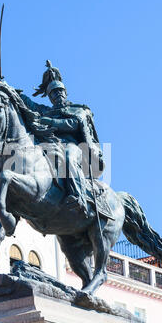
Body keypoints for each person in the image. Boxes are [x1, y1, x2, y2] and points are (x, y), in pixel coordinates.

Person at [19, 61, 105, 216]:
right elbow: (30, 104)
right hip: (52, 145)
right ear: (50, 97)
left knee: (68, 156)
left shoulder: (78, 110)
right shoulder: (46, 111)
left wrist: (50, 122)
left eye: (60, 91)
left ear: (65, 93)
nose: (57, 94)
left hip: (75, 147)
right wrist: (11, 91)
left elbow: (73, 124)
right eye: (53, 93)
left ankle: (78, 196)